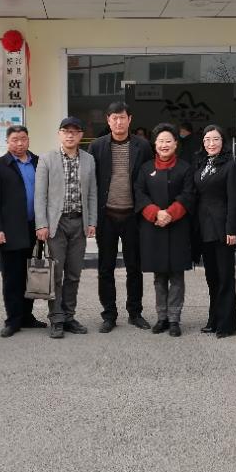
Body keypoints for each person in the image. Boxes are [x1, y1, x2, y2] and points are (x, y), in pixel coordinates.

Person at [88, 102, 154, 333]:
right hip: (106, 215)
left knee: (134, 267)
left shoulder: (142, 146)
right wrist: (91, 218)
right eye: (114, 118)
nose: (118, 122)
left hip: (132, 215)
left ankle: (135, 312)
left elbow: (148, 179)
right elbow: (91, 183)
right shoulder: (97, 146)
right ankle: (109, 314)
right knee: (105, 267)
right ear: (108, 120)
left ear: (129, 119)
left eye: (122, 117)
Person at [35, 116, 98, 339]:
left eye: (74, 131)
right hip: (57, 224)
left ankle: (69, 317)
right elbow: (40, 195)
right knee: (56, 273)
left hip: (79, 222)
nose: (70, 135)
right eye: (66, 131)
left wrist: (92, 222)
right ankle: (56, 318)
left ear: (81, 135)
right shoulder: (47, 159)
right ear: (59, 134)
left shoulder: (89, 159)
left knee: (74, 273)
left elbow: (92, 193)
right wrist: (41, 224)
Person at [136, 124, 196, 336]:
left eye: (168, 141)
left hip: (178, 228)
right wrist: (155, 213)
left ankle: (174, 319)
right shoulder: (145, 169)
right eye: (160, 141)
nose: (164, 145)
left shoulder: (185, 168)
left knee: (177, 276)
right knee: (159, 276)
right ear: (155, 144)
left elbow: (188, 195)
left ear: (175, 144)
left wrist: (170, 213)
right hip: (153, 228)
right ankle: (162, 317)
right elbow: (139, 194)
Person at [0, 126, 46, 338]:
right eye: (14, 139)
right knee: (12, 277)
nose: (19, 143)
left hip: (34, 229)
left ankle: (27, 316)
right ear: (7, 141)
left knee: (31, 274)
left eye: (23, 139)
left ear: (28, 140)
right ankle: (13, 320)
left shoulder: (39, 162)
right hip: (9, 230)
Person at [193, 124, 236, 338]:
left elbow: (234, 200)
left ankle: (227, 324)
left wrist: (232, 229)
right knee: (212, 277)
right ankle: (213, 319)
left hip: (223, 229)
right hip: (204, 229)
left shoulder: (231, 165)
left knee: (225, 278)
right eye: (207, 140)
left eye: (215, 139)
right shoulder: (201, 163)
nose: (211, 143)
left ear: (223, 142)